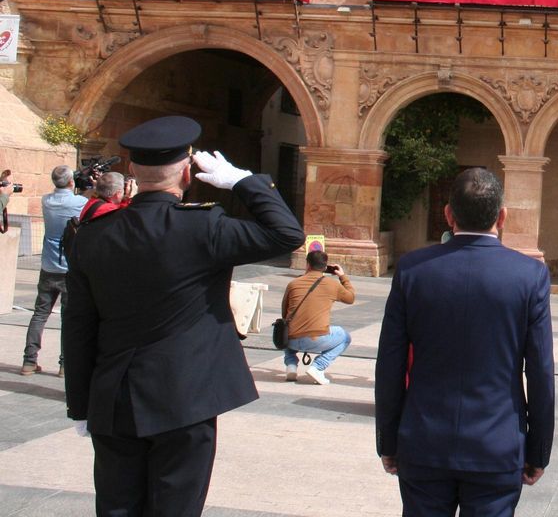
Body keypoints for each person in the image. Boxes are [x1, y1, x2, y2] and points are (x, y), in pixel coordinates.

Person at [62, 116, 305, 517]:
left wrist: (81, 405)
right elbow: (286, 234)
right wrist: (241, 181)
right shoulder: (203, 227)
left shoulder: (92, 234)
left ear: (133, 172)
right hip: (185, 397)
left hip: (114, 397)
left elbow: (78, 325)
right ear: (189, 171)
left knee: (116, 507)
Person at [375, 167, 555, 517]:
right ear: (502, 216)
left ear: (448, 214)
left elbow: (390, 364)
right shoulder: (529, 276)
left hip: (424, 438)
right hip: (497, 442)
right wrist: (538, 450)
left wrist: (389, 438)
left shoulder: (412, 270)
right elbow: (540, 371)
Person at [21, 165, 87, 376]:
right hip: (69, 267)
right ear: (71, 182)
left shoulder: (46, 201)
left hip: (48, 264)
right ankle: (64, 364)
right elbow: (87, 203)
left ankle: (29, 361)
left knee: (40, 314)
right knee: (68, 317)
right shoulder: (79, 202)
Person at [281, 247, 356, 385]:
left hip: (290, 340)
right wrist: (342, 276)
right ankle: (318, 366)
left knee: (287, 326)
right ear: (325, 266)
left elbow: (284, 313)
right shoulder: (332, 284)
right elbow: (351, 298)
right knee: (345, 337)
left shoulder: (293, 283)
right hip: (316, 339)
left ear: (307, 265)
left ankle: (291, 365)